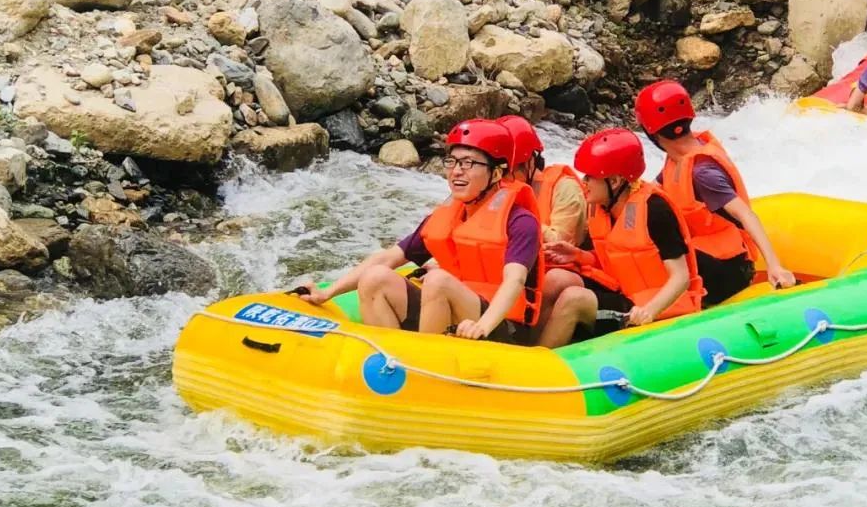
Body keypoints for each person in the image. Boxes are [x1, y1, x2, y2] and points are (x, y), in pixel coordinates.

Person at [300, 119, 543, 343]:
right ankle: (391, 363)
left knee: (437, 280)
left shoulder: (521, 221)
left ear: (497, 172)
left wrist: (482, 325)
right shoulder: (446, 216)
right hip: (447, 309)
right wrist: (327, 293)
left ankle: (425, 363)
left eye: (468, 163)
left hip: (500, 324)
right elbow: (388, 257)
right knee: (375, 277)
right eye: (452, 161)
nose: (456, 171)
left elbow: (515, 280)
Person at [538, 128, 705, 349]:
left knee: (573, 299)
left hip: (655, 306)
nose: (584, 182)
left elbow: (680, 277)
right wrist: (577, 255)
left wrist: (649, 311)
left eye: (590, 177)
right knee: (556, 278)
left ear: (615, 181)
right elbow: (614, 259)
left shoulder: (655, 210)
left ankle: (541, 360)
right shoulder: (601, 208)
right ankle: (524, 346)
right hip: (624, 291)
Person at [634, 80, 796, 303]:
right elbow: (651, 192)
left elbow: (744, 213)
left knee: (663, 256)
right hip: (708, 255)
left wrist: (774, 265)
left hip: (730, 268)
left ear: (651, 132)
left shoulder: (702, 173)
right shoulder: (680, 157)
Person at [498, 115, 586, 246]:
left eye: (507, 172)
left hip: (555, 263)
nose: (502, 179)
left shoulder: (565, 187)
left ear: (530, 162)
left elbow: (560, 242)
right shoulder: (491, 186)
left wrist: (515, 221)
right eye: (498, 171)